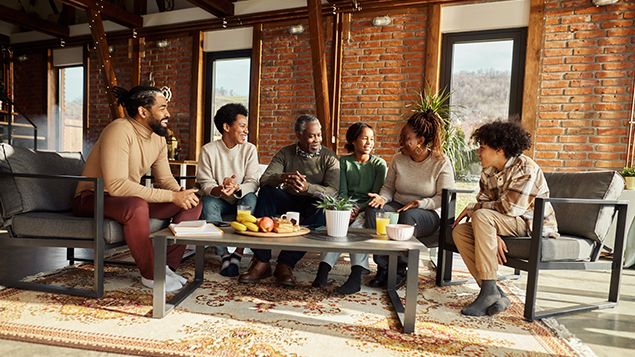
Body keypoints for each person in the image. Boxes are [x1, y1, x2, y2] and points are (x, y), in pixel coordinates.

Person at [73, 85, 202, 293]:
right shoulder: (119, 129)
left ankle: (166, 267)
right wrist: (171, 196)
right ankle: (150, 275)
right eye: (162, 108)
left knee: (192, 204)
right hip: (92, 198)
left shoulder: (159, 137)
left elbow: (165, 178)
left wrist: (180, 194)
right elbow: (116, 185)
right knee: (136, 205)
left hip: (123, 199)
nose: (168, 114)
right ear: (143, 111)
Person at [451, 120, 558, 316]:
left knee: (481, 215)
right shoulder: (488, 171)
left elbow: (510, 208)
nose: (478, 153)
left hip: (531, 223)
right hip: (504, 223)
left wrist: (476, 211)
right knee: (460, 231)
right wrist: (492, 233)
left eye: (482, 148)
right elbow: (485, 204)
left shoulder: (525, 168)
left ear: (499, 149)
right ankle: (494, 292)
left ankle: (489, 292)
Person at [238, 114, 340, 287]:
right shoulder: (285, 153)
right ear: (298, 135)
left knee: (324, 208)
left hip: (313, 203)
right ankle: (262, 261)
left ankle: (285, 264)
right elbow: (265, 179)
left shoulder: (329, 157)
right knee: (267, 191)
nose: (317, 140)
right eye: (311, 136)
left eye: (319, 135)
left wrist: (309, 188)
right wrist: (283, 177)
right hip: (289, 199)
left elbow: (333, 192)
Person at [365, 109, 454, 289]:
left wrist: (420, 203)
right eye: (401, 137)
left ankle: (399, 270)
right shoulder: (398, 159)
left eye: (406, 138)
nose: (400, 142)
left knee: (408, 218)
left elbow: (443, 198)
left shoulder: (441, 162)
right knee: (374, 211)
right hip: (399, 205)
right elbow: (389, 188)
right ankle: (383, 267)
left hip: (427, 213)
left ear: (420, 141)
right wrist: (382, 198)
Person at [312, 123, 386, 294]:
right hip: (345, 206)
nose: (369, 142)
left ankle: (356, 277)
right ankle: (323, 272)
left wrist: (357, 210)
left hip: (366, 208)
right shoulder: (343, 162)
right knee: (336, 228)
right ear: (353, 140)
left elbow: (376, 195)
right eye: (365, 138)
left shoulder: (379, 164)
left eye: (372, 139)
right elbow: (342, 192)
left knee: (356, 228)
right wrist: (347, 210)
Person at [197, 103, 260, 277]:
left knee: (251, 199)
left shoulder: (249, 149)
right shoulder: (208, 150)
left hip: (242, 198)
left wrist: (236, 187)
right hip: (220, 201)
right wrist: (221, 188)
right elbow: (205, 183)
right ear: (226, 127)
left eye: (246, 127)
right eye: (242, 126)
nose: (246, 131)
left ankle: (238, 254)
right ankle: (224, 255)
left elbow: (253, 182)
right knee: (207, 203)